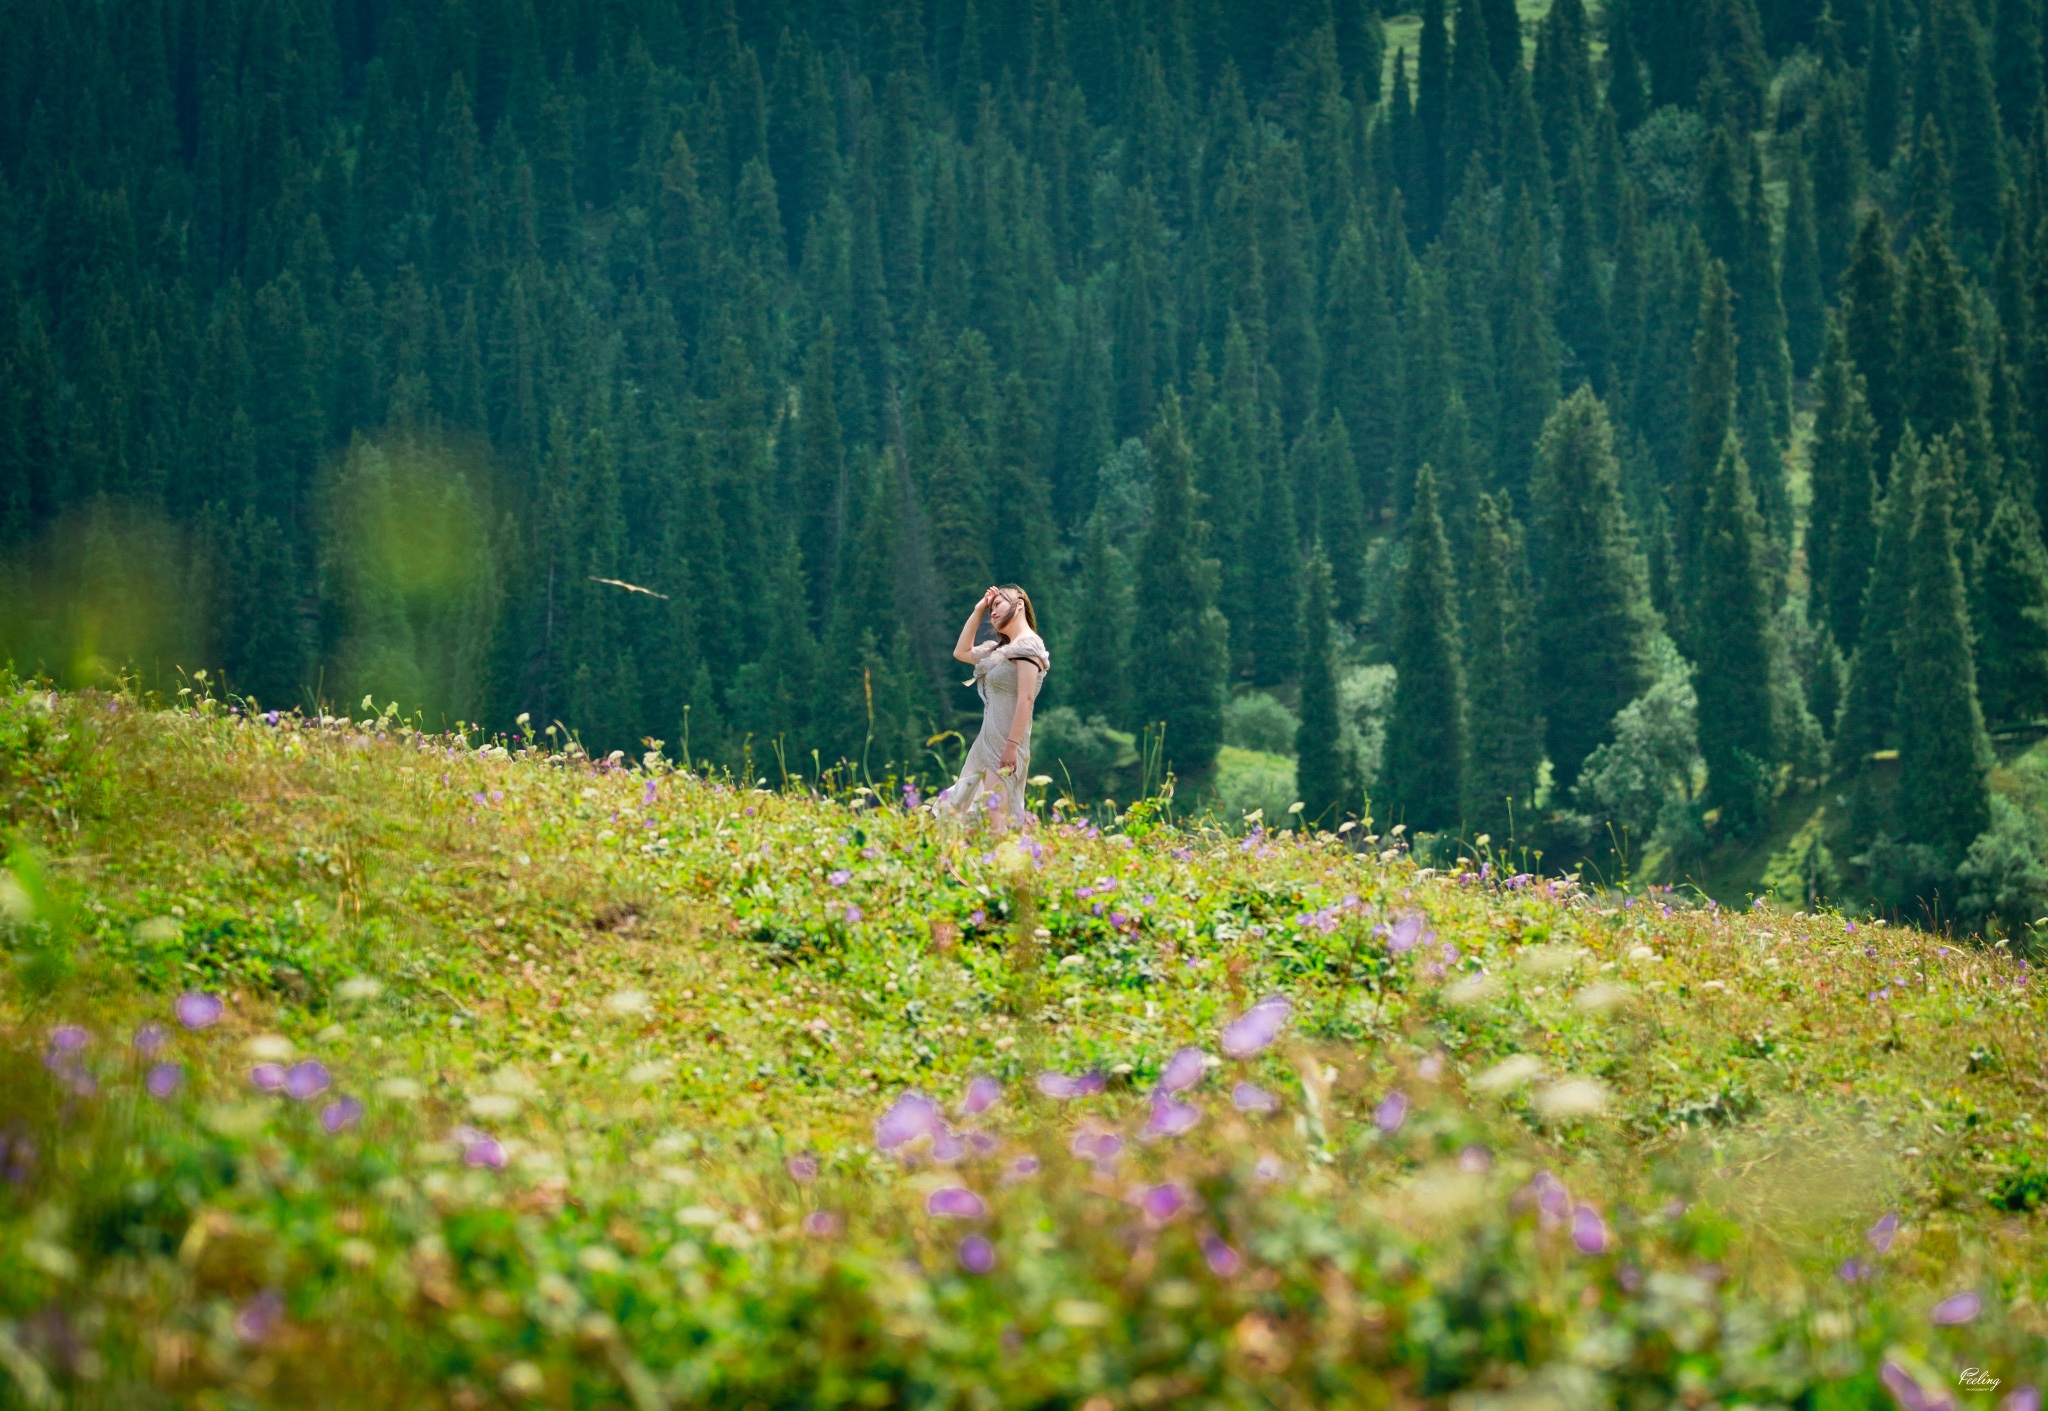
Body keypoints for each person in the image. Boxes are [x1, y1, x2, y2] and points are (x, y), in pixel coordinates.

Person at [932, 584, 1049, 830]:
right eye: (990, 608)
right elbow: (961, 652)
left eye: (998, 605)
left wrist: (1011, 747)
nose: (992, 612)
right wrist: (978, 610)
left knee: (994, 822)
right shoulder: (1000, 651)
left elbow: (1026, 699)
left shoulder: (1029, 645)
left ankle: (1011, 866)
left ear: (1019, 604)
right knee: (964, 814)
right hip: (986, 744)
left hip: (1005, 746)